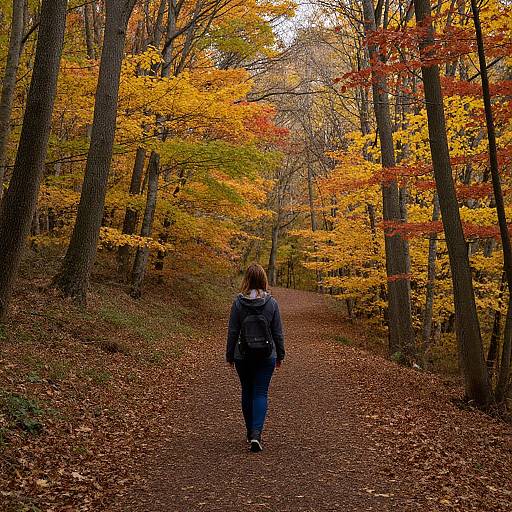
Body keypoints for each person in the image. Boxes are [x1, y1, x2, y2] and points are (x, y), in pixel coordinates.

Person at [226, 263, 285, 452]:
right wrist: (280, 355)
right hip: (266, 355)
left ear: (247, 280)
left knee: (247, 391)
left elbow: (233, 331)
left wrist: (229, 355)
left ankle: (250, 430)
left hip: (242, 355)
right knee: (260, 392)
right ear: (263, 279)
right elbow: (277, 333)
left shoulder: (238, 303)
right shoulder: (271, 303)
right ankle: (256, 434)